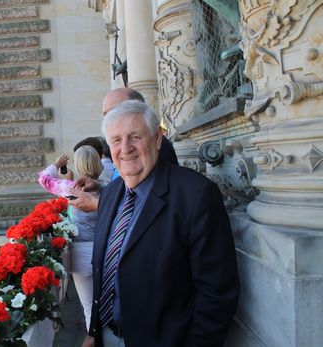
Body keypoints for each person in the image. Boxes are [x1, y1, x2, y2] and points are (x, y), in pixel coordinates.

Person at [84, 100, 239, 346]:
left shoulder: (196, 195)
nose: (125, 148)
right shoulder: (110, 193)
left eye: (135, 136)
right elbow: (106, 268)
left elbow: (216, 294)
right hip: (108, 336)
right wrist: (95, 333)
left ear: (157, 139)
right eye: (116, 140)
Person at [70, 87, 179, 212]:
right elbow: (130, 190)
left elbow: (164, 204)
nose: (126, 149)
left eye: (114, 112)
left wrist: (97, 204)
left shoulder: (156, 146)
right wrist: (100, 189)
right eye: (105, 114)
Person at [38, 145, 104, 339]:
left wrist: (56, 164)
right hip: (106, 249)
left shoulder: (70, 188)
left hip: (82, 253)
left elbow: (44, 179)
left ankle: (96, 339)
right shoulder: (109, 186)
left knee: (89, 305)